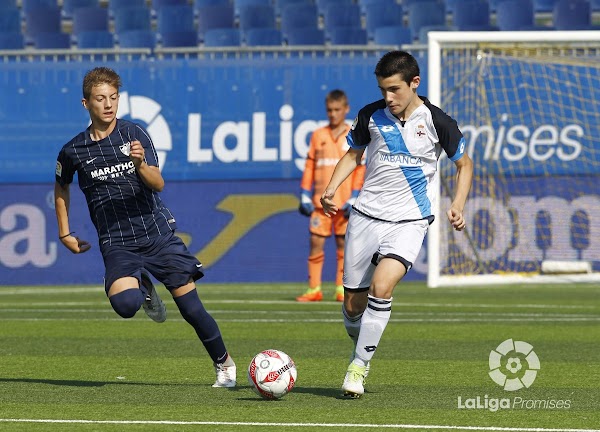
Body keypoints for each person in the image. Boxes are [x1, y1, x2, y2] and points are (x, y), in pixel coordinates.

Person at [54, 67, 236, 388]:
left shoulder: (134, 135)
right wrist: (64, 232)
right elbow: (61, 186)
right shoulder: (73, 151)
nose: (108, 105)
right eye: (100, 99)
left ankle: (224, 364)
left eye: (113, 98)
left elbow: (158, 183)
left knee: (191, 309)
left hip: (156, 236)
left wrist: (138, 164)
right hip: (117, 242)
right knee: (125, 306)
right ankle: (142, 285)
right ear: (86, 104)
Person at [320, 51, 473, 398]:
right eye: (382, 89)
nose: (388, 98)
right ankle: (362, 346)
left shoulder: (438, 121)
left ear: (414, 83)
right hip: (365, 218)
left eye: (394, 89)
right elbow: (353, 154)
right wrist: (331, 188)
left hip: (409, 221)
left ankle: (358, 368)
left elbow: (465, 165)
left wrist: (458, 204)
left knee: (383, 286)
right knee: (352, 308)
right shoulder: (370, 115)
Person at [297, 89, 365, 303]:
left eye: (337, 110)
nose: (333, 114)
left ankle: (341, 289)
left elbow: (359, 167)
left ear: (346, 109)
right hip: (321, 202)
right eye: (329, 110)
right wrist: (305, 194)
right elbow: (310, 165)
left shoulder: (353, 134)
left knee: (343, 245)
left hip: (344, 202)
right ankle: (314, 289)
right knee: (315, 241)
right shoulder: (319, 135)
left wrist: (354, 196)